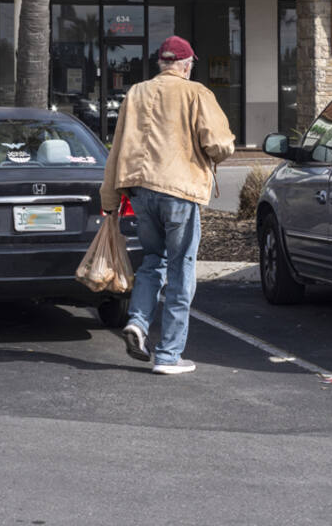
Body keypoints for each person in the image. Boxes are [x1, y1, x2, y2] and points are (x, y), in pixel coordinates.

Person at [99, 35, 235, 374]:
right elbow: (218, 143)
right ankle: (169, 355)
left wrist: (110, 199)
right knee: (181, 267)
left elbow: (117, 146)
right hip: (179, 189)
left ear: (162, 63)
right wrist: (219, 151)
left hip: (139, 190)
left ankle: (138, 323)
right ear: (187, 66)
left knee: (152, 261)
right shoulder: (197, 93)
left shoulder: (136, 92)